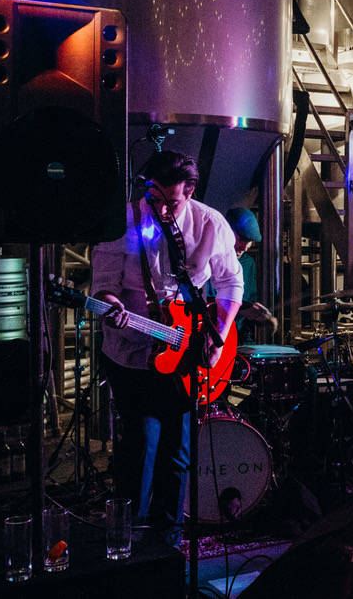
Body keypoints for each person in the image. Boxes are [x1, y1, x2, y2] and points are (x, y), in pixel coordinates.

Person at [92, 151, 242, 541]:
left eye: (171, 202)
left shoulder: (211, 224)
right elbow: (102, 288)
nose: (161, 209)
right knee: (141, 444)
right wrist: (110, 305)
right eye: (154, 199)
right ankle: (126, 543)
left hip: (186, 354)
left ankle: (168, 546)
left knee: (177, 452)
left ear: (189, 192)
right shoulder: (122, 222)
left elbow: (230, 283)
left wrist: (219, 332)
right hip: (130, 352)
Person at [225, 206, 278, 342]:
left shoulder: (248, 263)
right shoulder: (209, 260)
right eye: (241, 239)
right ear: (225, 232)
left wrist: (261, 319)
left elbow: (249, 302)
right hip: (214, 336)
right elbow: (207, 303)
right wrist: (241, 309)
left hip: (240, 337)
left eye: (248, 242)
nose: (244, 247)